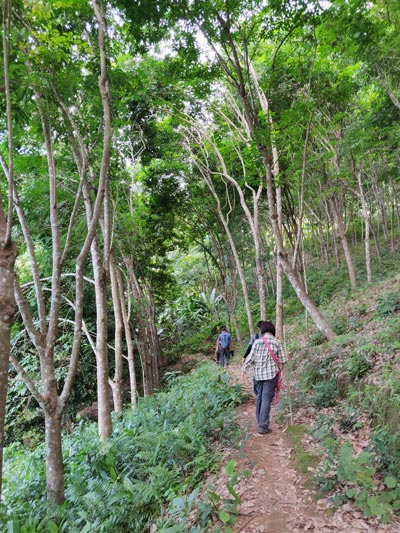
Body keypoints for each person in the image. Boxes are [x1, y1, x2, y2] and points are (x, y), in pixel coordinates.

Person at [241, 320, 288, 434]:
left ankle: (260, 421)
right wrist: (287, 358)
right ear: (272, 330)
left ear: (262, 331)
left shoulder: (257, 342)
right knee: (266, 399)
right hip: (271, 376)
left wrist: (244, 370)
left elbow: (250, 358)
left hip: (258, 375)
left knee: (259, 397)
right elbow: (283, 360)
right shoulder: (277, 342)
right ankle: (263, 426)